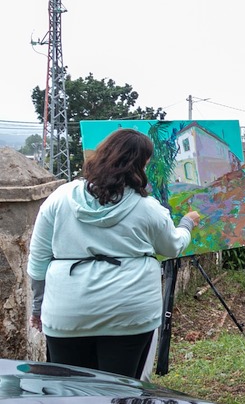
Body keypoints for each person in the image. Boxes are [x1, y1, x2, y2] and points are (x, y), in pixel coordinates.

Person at [27, 128, 200, 379]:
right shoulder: (147, 208)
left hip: (67, 313)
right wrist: (186, 224)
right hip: (129, 314)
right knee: (122, 390)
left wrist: (37, 307)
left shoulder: (59, 198)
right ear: (138, 165)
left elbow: (38, 261)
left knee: (68, 392)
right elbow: (172, 246)